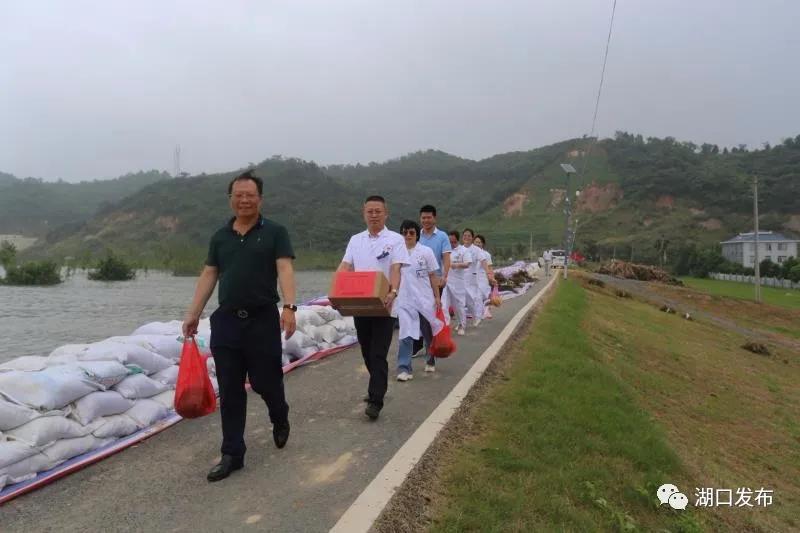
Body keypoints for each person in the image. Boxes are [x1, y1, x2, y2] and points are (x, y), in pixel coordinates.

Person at [182, 170, 297, 482]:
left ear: (260, 199)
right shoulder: (220, 237)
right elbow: (210, 274)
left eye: (250, 195)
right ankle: (232, 453)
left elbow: (284, 267)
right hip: (227, 322)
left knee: (264, 381)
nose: (244, 200)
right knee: (231, 389)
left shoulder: (275, 232)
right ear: (230, 199)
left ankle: (279, 413)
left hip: (262, 320)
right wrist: (194, 312)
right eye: (238, 195)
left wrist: (289, 306)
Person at [336, 195, 409, 420]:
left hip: (385, 306)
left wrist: (393, 292)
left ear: (386, 213)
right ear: (364, 213)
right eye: (370, 211)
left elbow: (396, 268)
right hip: (361, 305)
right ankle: (376, 386)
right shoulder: (355, 240)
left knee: (378, 353)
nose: (374, 215)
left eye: (378, 211)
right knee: (367, 352)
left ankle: (376, 400)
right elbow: (345, 266)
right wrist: (336, 287)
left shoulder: (395, 240)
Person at [394, 219, 443, 381]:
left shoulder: (426, 252)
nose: (408, 235)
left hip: (424, 299)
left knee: (427, 332)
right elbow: (392, 276)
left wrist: (437, 297)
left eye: (411, 232)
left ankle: (431, 358)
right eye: (405, 232)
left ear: (417, 235)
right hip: (405, 300)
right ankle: (404, 368)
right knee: (405, 333)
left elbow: (432, 276)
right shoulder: (396, 252)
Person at [416, 205, 452, 373]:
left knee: (431, 318)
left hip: (435, 282)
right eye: (423, 217)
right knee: (423, 321)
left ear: (434, 218)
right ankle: (429, 349)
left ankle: (431, 355)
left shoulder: (442, 236)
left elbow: (446, 258)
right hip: (418, 284)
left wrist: (444, 277)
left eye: (429, 217)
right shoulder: (417, 235)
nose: (426, 220)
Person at [445, 230, 471, 336]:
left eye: (453, 242)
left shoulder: (463, 250)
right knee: (444, 305)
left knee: (459, 305)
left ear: (457, 240)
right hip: (446, 281)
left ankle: (461, 325)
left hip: (458, 282)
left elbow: (468, 264)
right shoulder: (445, 251)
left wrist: (457, 265)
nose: (451, 244)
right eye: (449, 242)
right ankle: (445, 327)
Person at [462, 228, 486, 327]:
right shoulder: (459, 249)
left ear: (472, 238)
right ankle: (461, 323)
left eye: (469, 236)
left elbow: (483, 261)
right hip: (460, 279)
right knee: (459, 302)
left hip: (472, 279)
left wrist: (488, 273)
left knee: (470, 301)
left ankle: (476, 317)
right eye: (465, 235)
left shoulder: (476, 250)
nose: (466, 237)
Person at [473, 234, 496, 318]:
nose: (478, 244)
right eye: (476, 242)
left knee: (482, 295)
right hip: (472, 278)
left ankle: (484, 311)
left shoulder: (486, 254)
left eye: (480, 242)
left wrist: (492, 278)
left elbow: (490, 268)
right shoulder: (469, 253)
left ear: (482, 244)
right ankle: (480, 313)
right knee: (475, 297)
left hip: (483, 278)